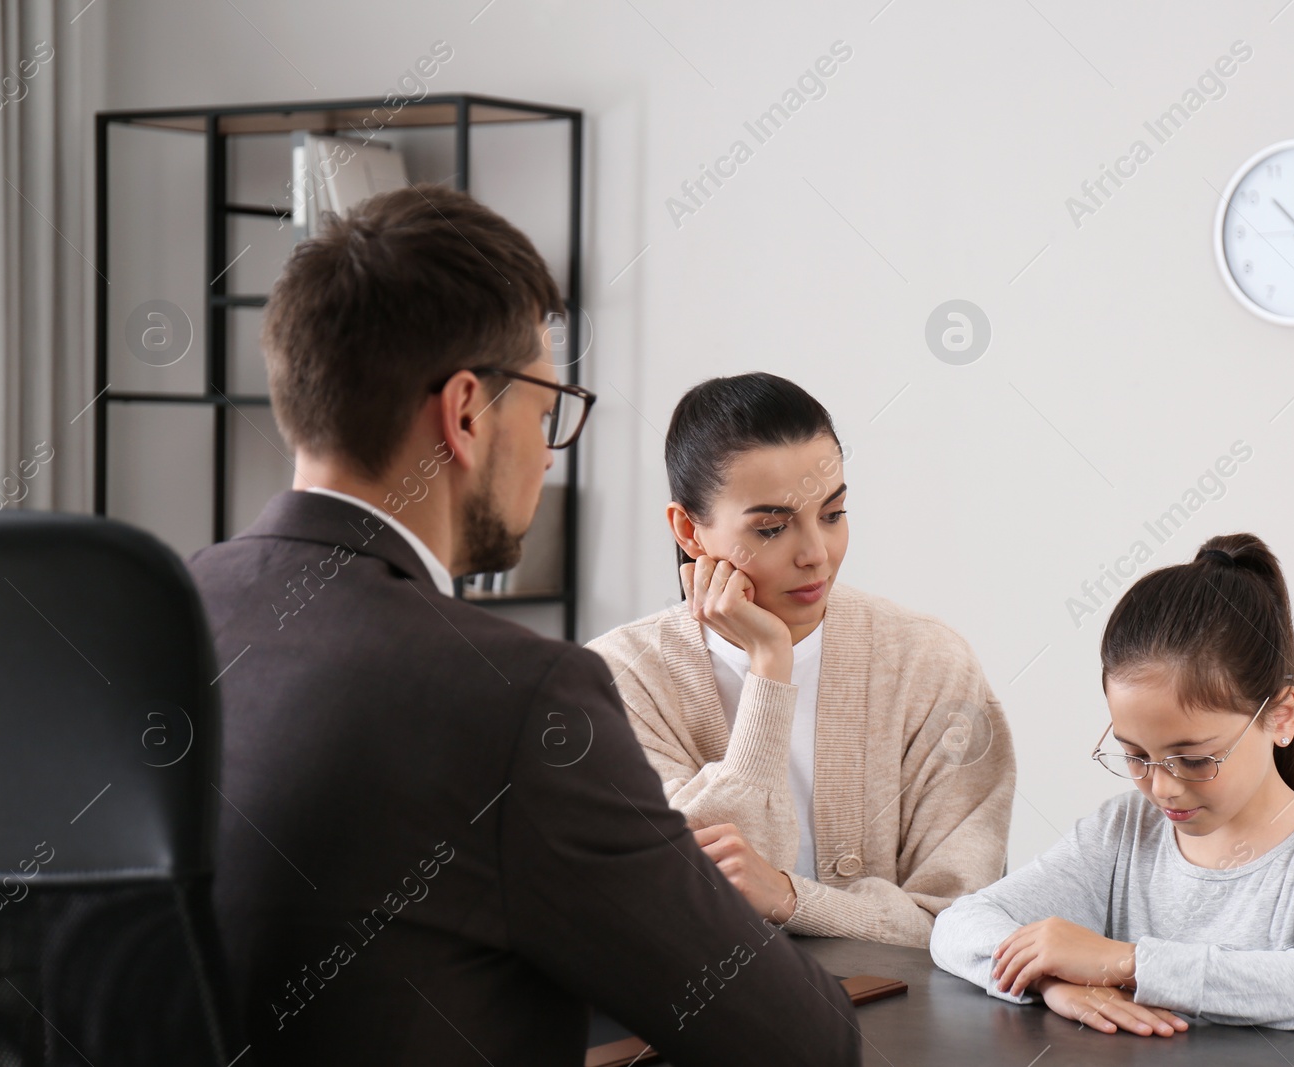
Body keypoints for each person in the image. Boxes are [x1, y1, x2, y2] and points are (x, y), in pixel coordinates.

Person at [187, 186, 861, 1066]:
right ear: (466, 414)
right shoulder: (512, 693)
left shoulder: (165, 612)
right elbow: (795, 1041)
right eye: (544, 412)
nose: (546, 455)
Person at [586, 373, 1015, 949]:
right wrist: (769, 666)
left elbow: (960, 923)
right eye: (772, 528)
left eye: (833, 514)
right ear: (689, 530)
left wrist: (792, 898)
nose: (816, 554)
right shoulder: (617, 680)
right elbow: (676, 906)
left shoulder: (929, 663)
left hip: (910, 1023)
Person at [930, 533, 1294, 1035]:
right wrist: (1048, 981)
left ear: (1281, 717)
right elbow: (958, 926)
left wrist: (1123, 963)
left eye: (1193, 759)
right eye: (1135, 755)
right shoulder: (1121, 833)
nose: (1162, 788)